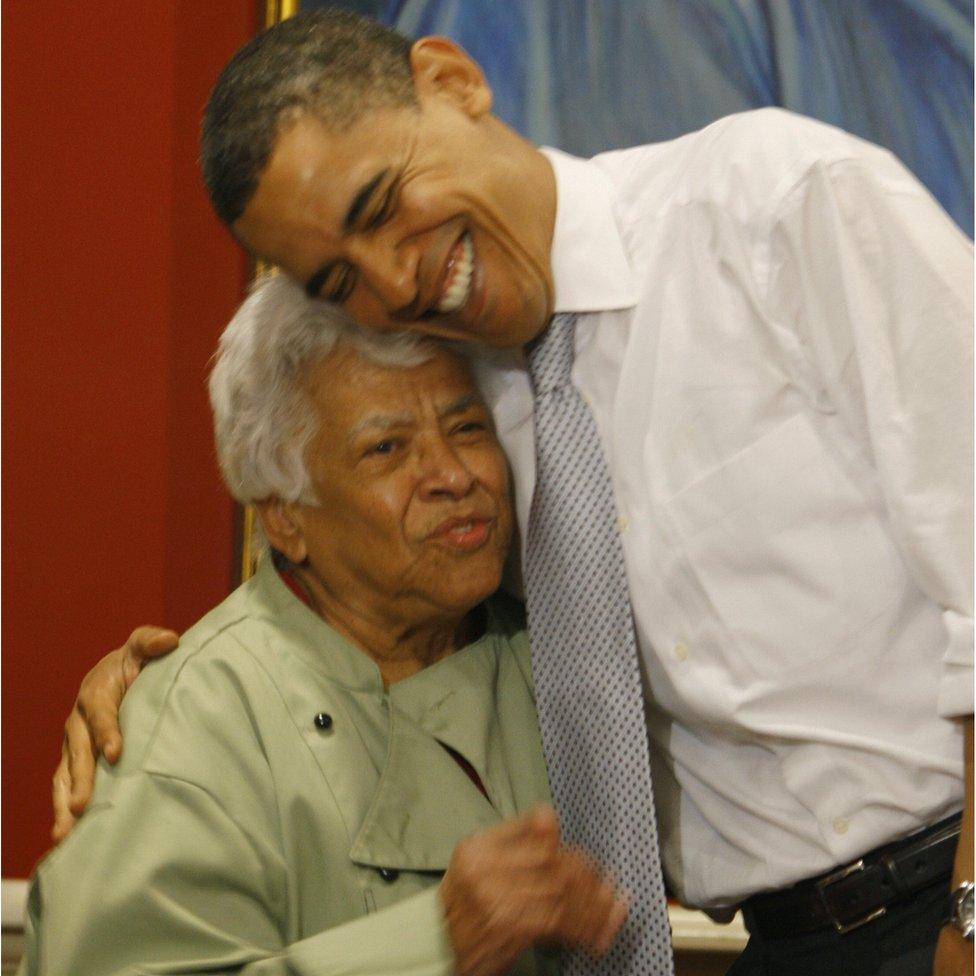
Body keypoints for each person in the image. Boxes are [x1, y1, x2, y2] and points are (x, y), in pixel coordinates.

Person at [54, 10, 973, 975]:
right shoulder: (468, 410)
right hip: (789, 943)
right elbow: (378, 619)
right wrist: (169, 696)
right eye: (338, 277)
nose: (394, 280)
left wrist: (971, 917)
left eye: (378, 204)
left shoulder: (766, 204)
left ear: (452, 81)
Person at [24, 274, 629, 976]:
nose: (453, 475)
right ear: (283, 513)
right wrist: (433, 942)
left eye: (467, 428)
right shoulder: (199, 716)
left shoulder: (561, 653)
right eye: (387, 449)